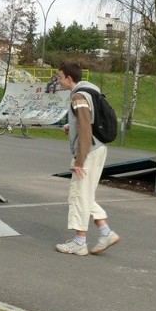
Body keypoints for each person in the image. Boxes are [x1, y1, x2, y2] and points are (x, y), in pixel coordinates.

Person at [55, 62, 120, 256]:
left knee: (78, 194)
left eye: (60, 77)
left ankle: (79, 242)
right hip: (98, 147)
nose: (59, 80)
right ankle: (105, 232)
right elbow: (85, 121)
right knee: (86, 194)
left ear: (69, 78)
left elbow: (85, 127)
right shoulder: (90, 91)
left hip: (88, 151)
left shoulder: (78, 96)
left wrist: (79, 161)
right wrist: (70, 126)